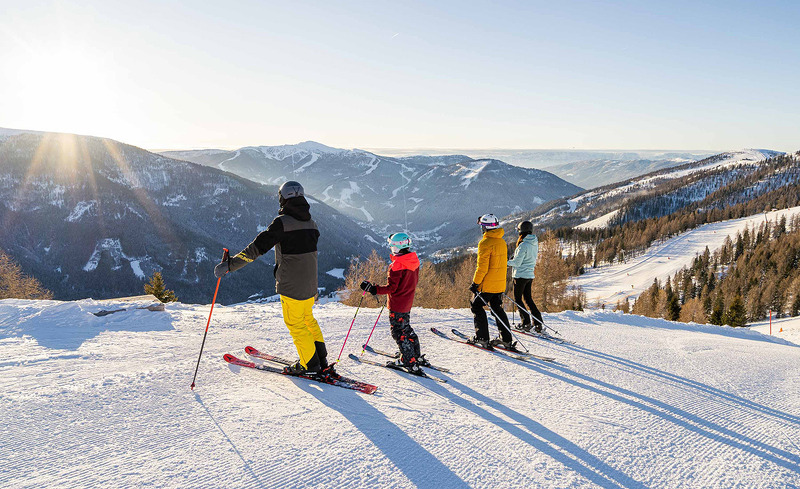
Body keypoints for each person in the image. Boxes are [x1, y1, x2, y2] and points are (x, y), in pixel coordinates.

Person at [214, 181, 334, 377]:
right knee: (308, 320)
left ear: (283, 198)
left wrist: (230, 265)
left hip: (291, 286)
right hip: (310, 285)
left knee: (295, 324)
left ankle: (309, 365)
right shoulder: (312, 224)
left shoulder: (282, 223)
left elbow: (256, 249)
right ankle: (320, 359)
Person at [360, 232, 426, 375]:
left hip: (397, 304)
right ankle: (415, 355)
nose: (391, 248)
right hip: (407, 301)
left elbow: (391, 288)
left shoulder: (397, 265)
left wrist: (372, 289)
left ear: (396, 248)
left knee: (398, 332)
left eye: (391, 246)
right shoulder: (413, 260)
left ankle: (408, 361)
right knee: (406, 328)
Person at [469, 214, 514, 350]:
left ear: (484, 228)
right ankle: (506, 339)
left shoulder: (485, 243)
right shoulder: (501, 242)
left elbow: (482, 267)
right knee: (497, 308)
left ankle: (482, 338)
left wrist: (475, 283)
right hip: (499, 284)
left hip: (487, 285)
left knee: (476, 306)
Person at [506, 220, 544, 332]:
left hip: (520, 276)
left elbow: (517, 263)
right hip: (529, 275)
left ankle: (526, 323)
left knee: (518, 299)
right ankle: (538, 323)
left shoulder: (523, 245)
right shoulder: (534, 243)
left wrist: (505, 262)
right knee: (528, 299)